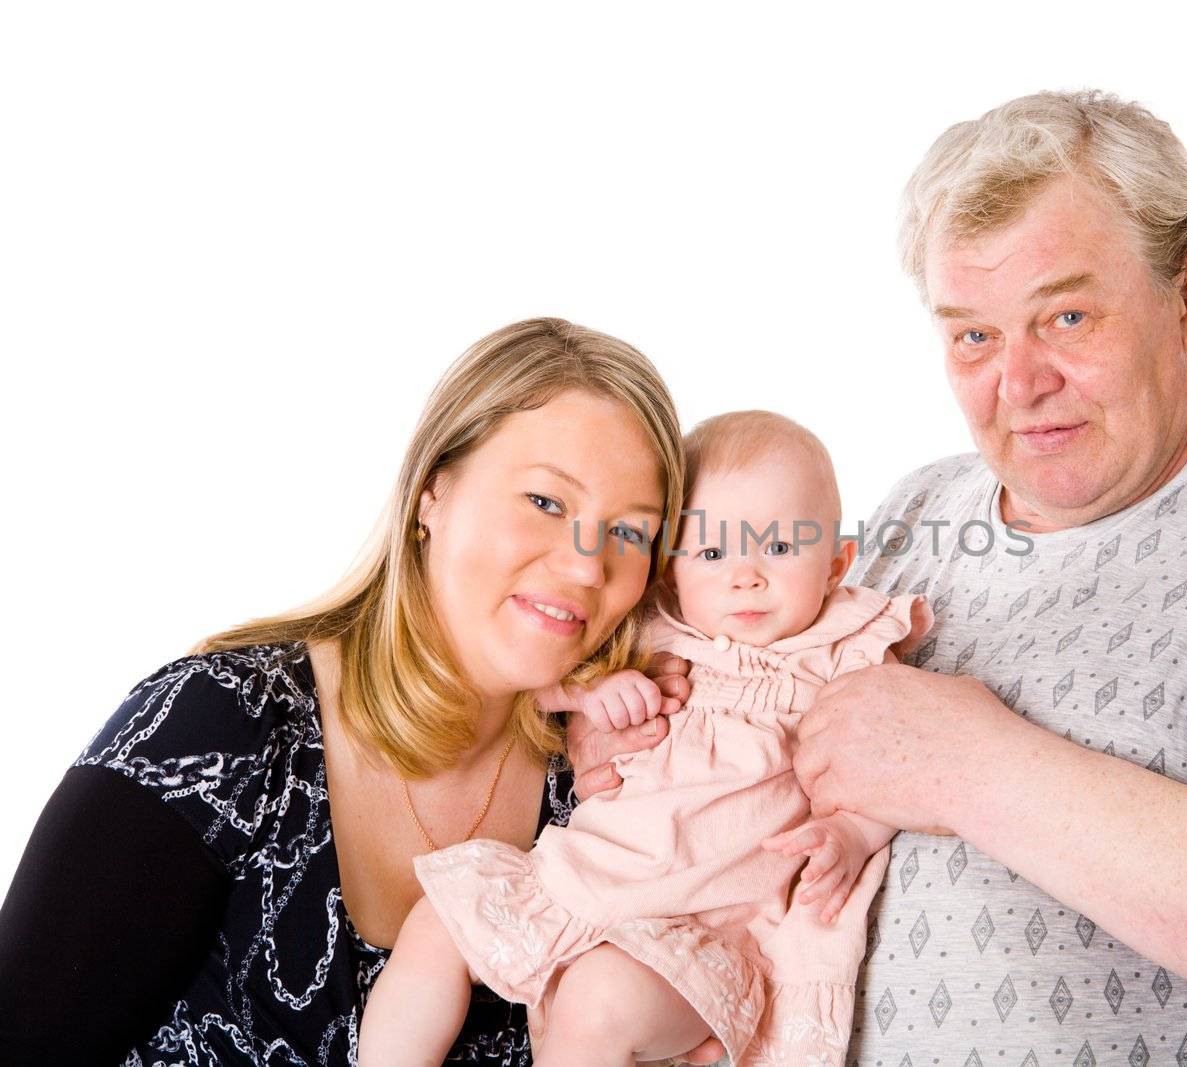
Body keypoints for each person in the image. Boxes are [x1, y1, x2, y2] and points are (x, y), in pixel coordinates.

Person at [573, 91, 1187, 1065]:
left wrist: (975, 766)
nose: (1017, 381)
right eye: (973, 334)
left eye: (1067, 316)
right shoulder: (915, 510)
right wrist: (631, 741)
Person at [0, 317, 727, 1065]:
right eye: (545, 501)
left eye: (631, 533)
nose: (585, 567)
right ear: (432, 493)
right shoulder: (220, 727)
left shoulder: (609, 796)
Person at [359, 411, 931, 1067]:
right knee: (437, 923)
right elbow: (538, 682)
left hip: (702, 931)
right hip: (582, 878)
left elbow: (896, 765)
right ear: (672, 569)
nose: (745, 575)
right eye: (712, 553)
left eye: (777, 548)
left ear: (836, 564)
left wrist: (853, 834)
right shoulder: (651, 629)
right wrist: (589, 693)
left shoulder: (846, 652)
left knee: (598, 1002)